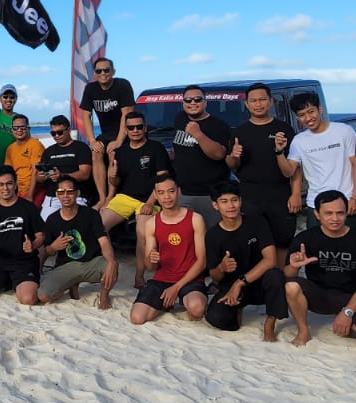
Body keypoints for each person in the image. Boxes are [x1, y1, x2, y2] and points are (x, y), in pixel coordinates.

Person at [283, 190, 356, 347]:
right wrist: (294, 266)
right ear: (317, 214)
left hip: (350, 296)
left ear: (346, 213)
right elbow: (288, 275)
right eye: (328, 213)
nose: (335, 218)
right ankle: (303, 330)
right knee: (291, 286)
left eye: (340, 213)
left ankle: (347, 324)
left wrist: (347, 312)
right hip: (319, 294)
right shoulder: (305, 238)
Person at [202, 184, 287, 340]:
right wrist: (221, 268)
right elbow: (214, 276)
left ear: (241, 201)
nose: (231, 205)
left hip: (259, 281)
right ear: (215, 205)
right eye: (224, 201)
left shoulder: (257, 222)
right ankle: (237, 310)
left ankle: (270, 323)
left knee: (275, 275)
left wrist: (239, 283)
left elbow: (270, 260)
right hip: (231, 286)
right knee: (216, 317)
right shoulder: (213, 235)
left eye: (234, 200)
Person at [225, 83, 298, 254]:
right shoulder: (239, 132)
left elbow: (294, 167)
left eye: (262, 100)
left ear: (271, 101)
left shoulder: (284, 129)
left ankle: (280, 272)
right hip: (250, 196)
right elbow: (231, 165)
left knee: (283, 242)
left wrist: (295, 194)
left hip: (279, 194)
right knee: (253, 244)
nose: (258, 104)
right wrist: (234, 155)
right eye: (253, 101)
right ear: (246, 104)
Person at [101, 111, 171, 287]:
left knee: (142, 231)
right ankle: (109, 265)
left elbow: (162, 179)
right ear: (125, 130)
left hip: (150, 197)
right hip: (125, 197)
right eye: (131, 128)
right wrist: (112, 177)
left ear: (145, 128)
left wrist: (150, 202)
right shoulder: (120, 152)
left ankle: (139, 276)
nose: (135, 130)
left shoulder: (156, 148)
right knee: (98, 225)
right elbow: (115, 181)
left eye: (139, 127)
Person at [131, 176, 209, 325]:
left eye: (171, 191)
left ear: (178, 191)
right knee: (137, 318)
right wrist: (151, 259)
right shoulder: (152, 223)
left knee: (197, 308)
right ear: (155, 195)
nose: (166, 197)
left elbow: (202, 262)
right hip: (163, 278)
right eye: (161, 192)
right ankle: (167, 302)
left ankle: (176, 298)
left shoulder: (195, 219)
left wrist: (176, 287)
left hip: (190, 278)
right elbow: (150, 267)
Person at [285, 92, 356, 236]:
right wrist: (295, 193)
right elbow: (292, 169)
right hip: (315, 205)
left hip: (347, 202)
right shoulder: (299, 141)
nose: (308, 118)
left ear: (320, 109)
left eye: (311, 111)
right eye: (302, 115)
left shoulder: (344, 131)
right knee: (317, 248)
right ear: (297, 118)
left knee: (354, 246)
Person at [37, 177, 118, 308]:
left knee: (112, 267)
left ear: (77, 193)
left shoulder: (91, 214)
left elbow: (104, 241)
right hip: (65, 265)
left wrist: (111, 261)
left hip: (91, 262)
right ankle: (71, 284)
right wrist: (54, 246)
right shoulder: (52, 220)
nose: (65, 196)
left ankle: (103, 296)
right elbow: (47, 251)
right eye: (61, 192)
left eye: (69, 191)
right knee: (43, 296)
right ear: (57, 194)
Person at [0, 169, 45, 305]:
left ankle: (18, 283)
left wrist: (33, 245)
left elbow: (41, 236)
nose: (5, 188)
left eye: (9, 183)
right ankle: (8, 282)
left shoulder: (28, 208)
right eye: (0, 184)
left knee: (28, 299)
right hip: (2, 263)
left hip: (25, 263)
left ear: (15, 184)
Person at [169, 85, 233, 227]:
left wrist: (198, 134)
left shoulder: (218, 125)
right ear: (183, 103)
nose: (192, 103)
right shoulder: (180, 118)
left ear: (205, 102)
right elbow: (178, 147)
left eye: (197, 99)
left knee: (213, 233)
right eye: (188, 100)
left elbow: (219, 154)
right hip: (184, 193)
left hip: (210, 194)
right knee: (187, 234)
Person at [78, 57, 135, 209]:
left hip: (126, 131)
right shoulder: (90, 89)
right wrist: (92, 140)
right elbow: (86, 115)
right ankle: (102, 197)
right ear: (94, 74)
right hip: (106, 133)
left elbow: (127, 113)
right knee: (96, 153)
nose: (103, 73)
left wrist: (119, 140)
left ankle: (111, 195)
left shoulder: (122, 85)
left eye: (106, 70)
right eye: (99, 71)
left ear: (113, 71)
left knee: (112, 153)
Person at [38, 115, 94, 220]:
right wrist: (44, 176)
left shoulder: (81, 148)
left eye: (60, 132)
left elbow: (85, 174)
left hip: (76, 195)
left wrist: (62, 176)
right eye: (53, 133)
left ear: (68, 130)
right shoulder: (49, 151)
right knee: (45, 225)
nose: (56, 136)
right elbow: (39, 178)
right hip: (53, 197)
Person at [1, 113, 46, 205]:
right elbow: (8, 172)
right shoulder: (10, 148)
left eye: (22, 127)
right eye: (15, 128)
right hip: (18, 191)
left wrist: (30, 194)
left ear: (28, 129)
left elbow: (36, 171)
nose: (19, 130)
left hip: (35, 190)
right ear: (12, 130)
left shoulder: (35, 145)